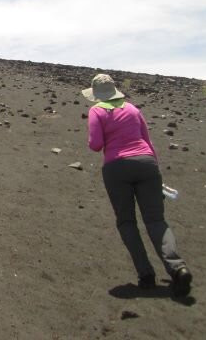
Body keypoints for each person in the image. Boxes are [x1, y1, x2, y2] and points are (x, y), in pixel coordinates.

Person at [82, 73, 193, 297]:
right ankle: (177, 267)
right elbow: (148, 142)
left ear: (96, 94)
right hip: (147, 164)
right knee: (155, 220)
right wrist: (156, 175)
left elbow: (95, 145)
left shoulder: (97, 111)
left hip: (116, 168)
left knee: (126, 222)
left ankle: (146, 275)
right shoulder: (133, 109)